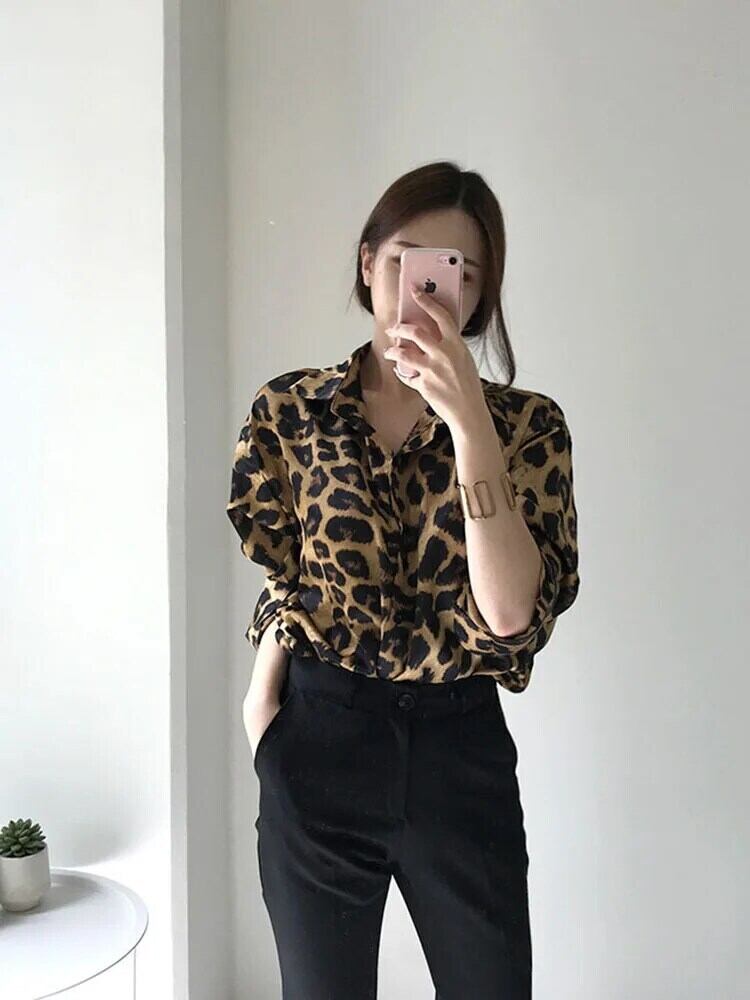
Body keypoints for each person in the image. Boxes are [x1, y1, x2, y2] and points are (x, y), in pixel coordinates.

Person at [226, 160, 580, 999]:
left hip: (461, 751)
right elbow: (284, 570)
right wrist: (263, 704)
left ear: (479, 295)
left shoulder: (528, 428)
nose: (425, 291)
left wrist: (469, 423)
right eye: (404, 261)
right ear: (367, 263)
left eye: (456, 272)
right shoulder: (291, 412)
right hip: (319, 739)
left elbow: (509, 616)